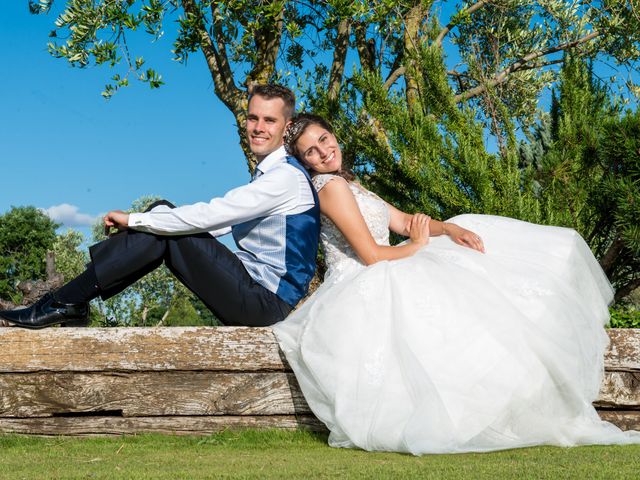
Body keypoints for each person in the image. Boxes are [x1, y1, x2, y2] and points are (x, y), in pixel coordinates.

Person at [273, 113, 640, 454]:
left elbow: (401, 222)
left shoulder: (347, 183)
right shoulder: (330, 188)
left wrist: (446, 228)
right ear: (305, 162)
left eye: (324, 138)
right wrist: (417, 247)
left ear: (333, 133)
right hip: (367, 276)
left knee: (471, 257)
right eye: (311, 151)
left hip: (389, 260)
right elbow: (370, 254)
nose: (323, 151)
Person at [0, 85, 320, 329]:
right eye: (253, 118)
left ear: (287, 127)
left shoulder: (285, 178)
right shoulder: (270, 176)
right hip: (255, 294)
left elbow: (215, 214)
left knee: (161, 221)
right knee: (161, 215)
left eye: (269, 120)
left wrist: (138, 220)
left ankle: (65, 300)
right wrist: (142, 223)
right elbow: (220, 225)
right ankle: (71, 299)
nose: (258, 127)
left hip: (266, 304)